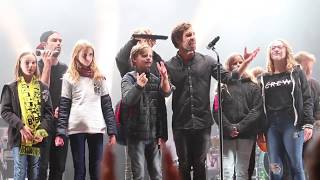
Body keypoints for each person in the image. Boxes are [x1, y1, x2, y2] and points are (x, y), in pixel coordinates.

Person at [165, 22, 259, 180]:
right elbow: (166, 92)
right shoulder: (169, 65)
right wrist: (163, 79)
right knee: (184, 164)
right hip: (181, 123)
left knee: (200, 163)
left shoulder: (207, 61)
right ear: (178, 41)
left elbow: (229, 78)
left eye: (193, 34)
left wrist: (245, 64)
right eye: (188, 35)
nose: (193, 37)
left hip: (203, 123)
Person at [55, 40, 117, 180]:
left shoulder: (99, 77)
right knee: (79, 169)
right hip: (76, 127)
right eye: (84, 55)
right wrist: (60, 132)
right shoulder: (69, 77)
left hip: (96, 126)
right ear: (76, 55)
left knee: (96, 169)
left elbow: (107, 105)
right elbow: (64, 106)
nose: (88, 58)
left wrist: (112, 131)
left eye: (91, 55)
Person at [115, 27, 166, 180]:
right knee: (133, 169)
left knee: (156, 171)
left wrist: (161, 131)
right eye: (145, 37)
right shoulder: (130, 63)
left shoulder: (154, 59)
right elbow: (120, 58)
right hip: (135, 123)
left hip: (152, 122)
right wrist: (134, 41)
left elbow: (164, 84)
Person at [259, 39, 313, 180]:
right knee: (274, 166)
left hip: (293, 125)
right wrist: (260, 129)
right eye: (273, 48)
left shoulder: (296, 72)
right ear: (269, 53)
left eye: (279, 47)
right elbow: (260, 105)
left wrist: (308, 123)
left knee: (296, 165)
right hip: (272, 127)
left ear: (286, 51)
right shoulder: (264, 77)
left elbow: (307, 98)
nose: (276, 49)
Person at [1, 51, 53, 180]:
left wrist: (41, 131)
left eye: (34, 62)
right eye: (27, 62)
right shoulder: (11, 88)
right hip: (20, 137)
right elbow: (5, 111)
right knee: (20, 169)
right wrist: (21, 126)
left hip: (36, 137)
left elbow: (48, 113)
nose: (31, 65)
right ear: (20, 64)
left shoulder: (43, 88)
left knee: (34, 170)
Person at [212, 53, 263, 179]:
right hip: (227, 135)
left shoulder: (253, 86)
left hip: (246, 134)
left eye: (240, 62)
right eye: (234, 63)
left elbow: (257, 110)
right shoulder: (221, 87)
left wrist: (239, 127)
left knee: (242, 171)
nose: (238, 65)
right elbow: (216, 110)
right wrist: (229, 128)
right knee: (227, 171)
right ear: (228, 67)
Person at [37, 30, 69, 180]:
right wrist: (47, 65)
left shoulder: (66, 69)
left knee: (59, 167)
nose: (58, 43)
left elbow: (72, 97)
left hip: (61, 124)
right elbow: (41, 94)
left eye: (60, 41)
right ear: (44, 44)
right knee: (41, 166)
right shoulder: (34, 66)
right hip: (41, 124)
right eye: (54, 40)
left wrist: (64, 110)